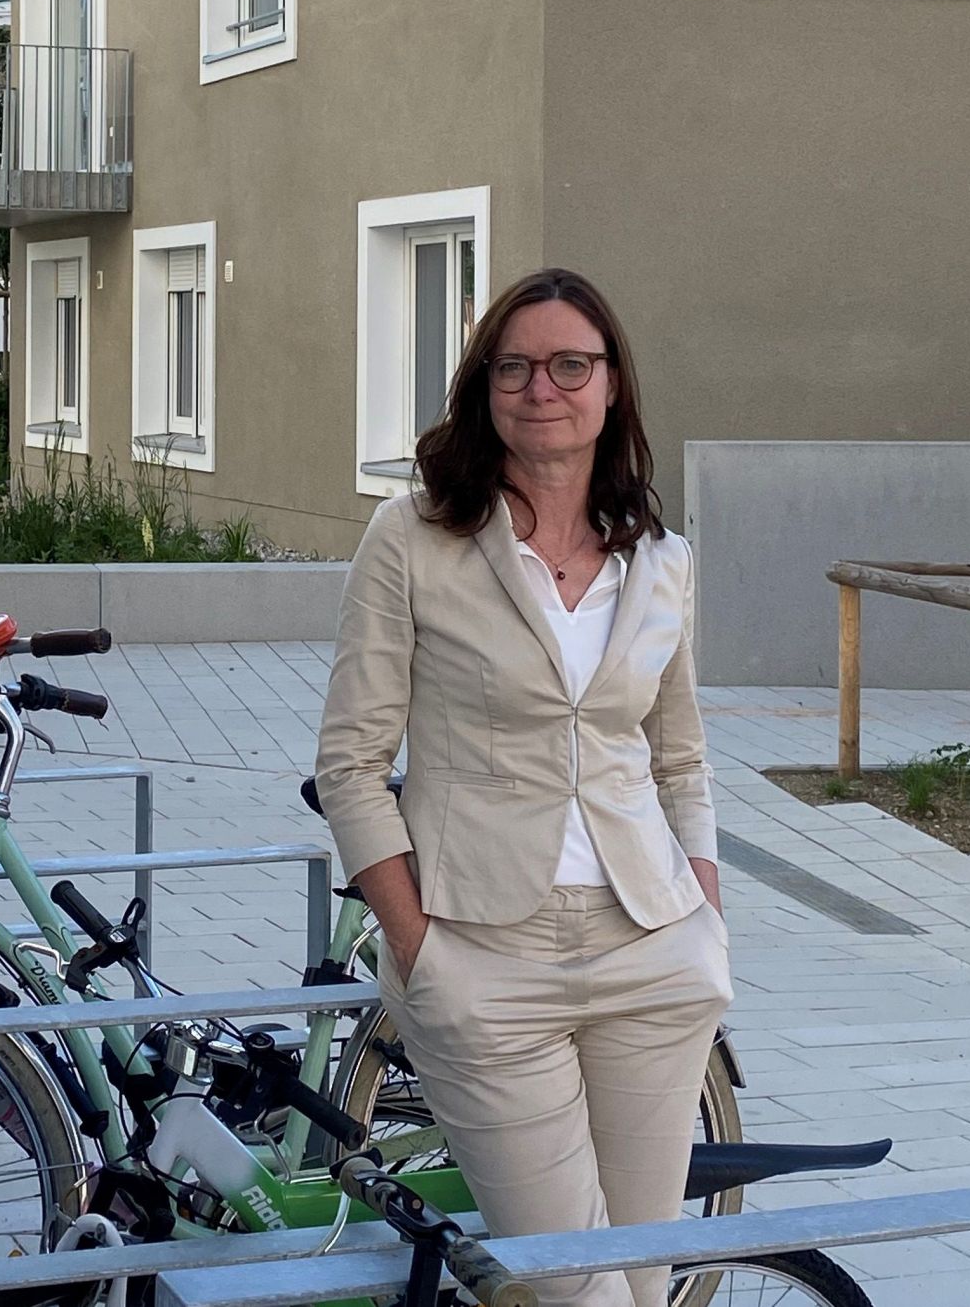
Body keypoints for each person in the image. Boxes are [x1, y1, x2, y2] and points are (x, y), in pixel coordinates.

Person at [313, 267, 731, 1307]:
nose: (542, 386)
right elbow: (352, 763)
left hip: (650, 949)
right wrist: (422, 951)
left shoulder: (662, 558)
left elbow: (679, 757)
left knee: (643, 1278)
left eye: (570, 364)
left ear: (612, 386)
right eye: (515, 364)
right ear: (484, 386)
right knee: (568, 1290)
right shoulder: (412, 540)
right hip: (485, 959)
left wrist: (705, 920)